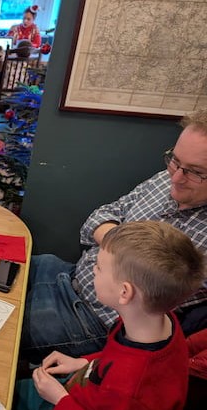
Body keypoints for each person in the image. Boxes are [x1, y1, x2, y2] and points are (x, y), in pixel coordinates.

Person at [21, 108, 207, 365]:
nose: (175, 177)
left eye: (195, 172)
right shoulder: (166, 179)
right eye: (175, 161)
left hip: (88, 321)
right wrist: (118, 245)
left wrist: (114, 245)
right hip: (69, 274)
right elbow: (102, 214)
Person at [2, 221, 204, 410]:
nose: (93, 270)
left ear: (124, 292)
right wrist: (83, 362)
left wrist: (60, 400)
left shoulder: (132, 390)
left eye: (98, 267)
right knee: (5, 392)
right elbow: (115, 357)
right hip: (79, 390)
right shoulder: (157, 323)